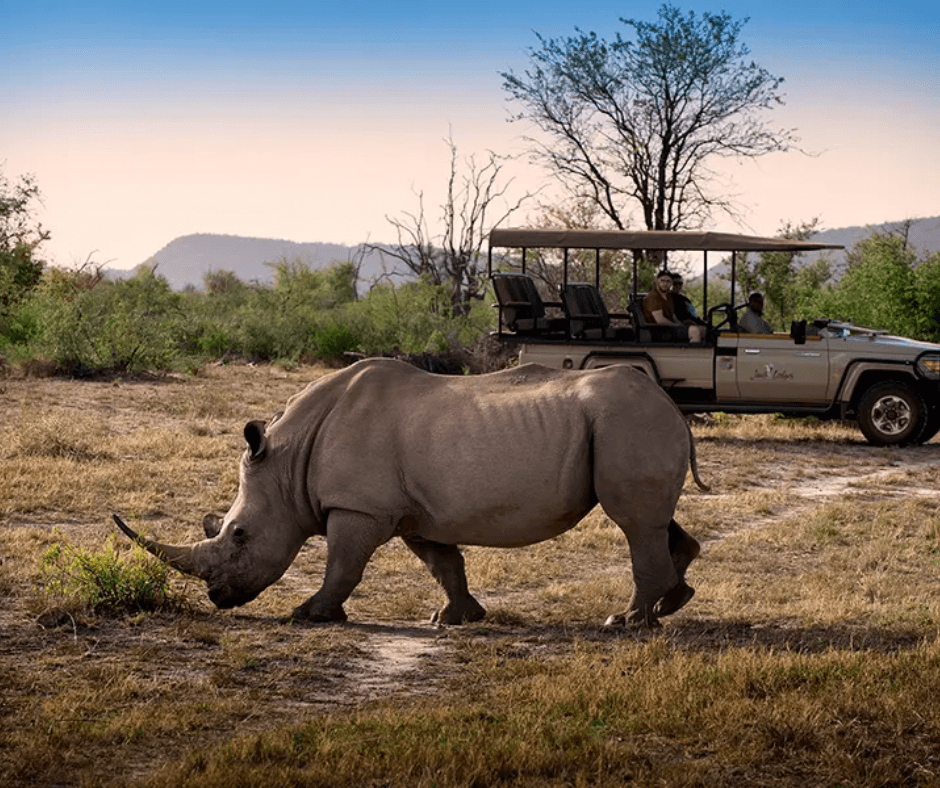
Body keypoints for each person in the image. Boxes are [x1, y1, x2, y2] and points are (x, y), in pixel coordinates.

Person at [643, 270, 704, 343]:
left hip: (669, 329)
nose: (665, 284)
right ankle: (693, 354)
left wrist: (680, 324)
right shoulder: (653, 297)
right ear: (657, 281)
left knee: (701, 330)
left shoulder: (668, 296)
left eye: (668, 281)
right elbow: (660, 320)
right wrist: (676, 326)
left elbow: (673, 316)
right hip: (657, 331)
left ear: (671, 283)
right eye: (662, 281)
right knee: (694, 331)